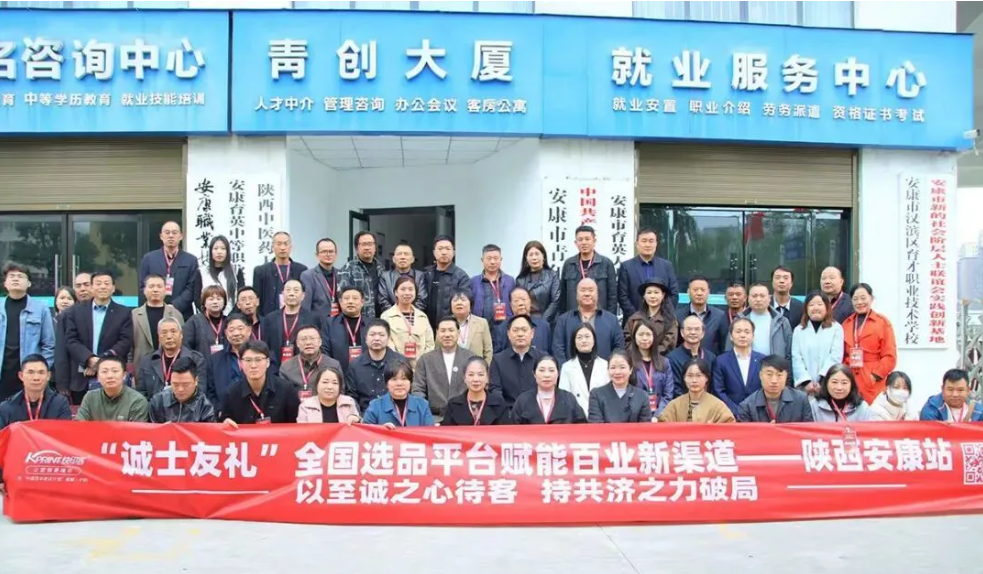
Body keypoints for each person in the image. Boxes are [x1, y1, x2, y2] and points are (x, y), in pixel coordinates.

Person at [62, 271, 133, 405]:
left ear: (113, 288)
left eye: (106, 283)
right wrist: (89, 359)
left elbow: (125, 342)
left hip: (112, 375)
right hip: (82, 375)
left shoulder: (124, 312)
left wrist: (100, 362)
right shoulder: (75, 311)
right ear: (91, 287)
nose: (102, 287)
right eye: (98, 283)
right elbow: (71, 340)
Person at [0, 262, 55, 402]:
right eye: (11, 276)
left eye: (20, 276)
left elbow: (49, 345)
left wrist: (40, 371)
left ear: (29, 283)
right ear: (5, 283)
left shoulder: (40, 309)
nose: (15, 279)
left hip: (29, 375)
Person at [220, 340, 300, 426]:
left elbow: (295, 425)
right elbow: (224, 422)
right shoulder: (231, 394)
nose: (253, 365)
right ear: (240, 363)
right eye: (248, 360)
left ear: (268, 362)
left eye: (258, 360)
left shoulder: (286, 390)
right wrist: (225, 423)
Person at [412, 316, 475, 423]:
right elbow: (418, 390)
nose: (447, 334)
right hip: (434, 418)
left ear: (458, 333)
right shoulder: (425, 360)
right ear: (437, 333)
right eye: (443, 331)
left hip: (465, 418)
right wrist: (426, 415)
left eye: (451, 330)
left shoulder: (470, 358)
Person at [842, 283, 897, 405]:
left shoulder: (882, 322)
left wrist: (875, 375)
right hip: (850, 377)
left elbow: (890, 356)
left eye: (863, 298)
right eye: (855, 299)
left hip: (872, 380)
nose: (859, 302)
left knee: (874, 413)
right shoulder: (846, 323)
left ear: (871, 299)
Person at [552, 278, 624, 362]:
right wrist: (566, 368)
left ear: (597, 294)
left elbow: (619, 348)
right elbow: (558, 349)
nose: (587, 294)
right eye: (583, 290)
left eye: (591, 290)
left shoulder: (611, 320)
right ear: (576, 295)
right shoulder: (563, 320)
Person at [138, 221, 199, 320]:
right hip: (154, 310)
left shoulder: (191, 260)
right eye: (167, 232)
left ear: (181, 236)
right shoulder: (149, 258)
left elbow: (191, 288)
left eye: (174, 233)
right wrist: (158, 304)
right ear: (161, 236)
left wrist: (174, 306)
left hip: (182, 313)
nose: (171, 236)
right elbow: (142, 286)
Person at [204, 314, 263, 413]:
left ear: (249, 330)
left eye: (240, 329)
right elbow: (210, 392)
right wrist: (221, 410)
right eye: (231, 330)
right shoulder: (214, 360)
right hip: (226, 413)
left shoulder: (262, 356)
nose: (236, 333)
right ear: (226, 333)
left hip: (256, 410)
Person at [136, 317, 207, 400]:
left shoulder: (196, 360)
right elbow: (141, 394)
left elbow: (200, 392)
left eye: (173, 332)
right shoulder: (147, 361)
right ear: (159, 337)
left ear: (181, 334)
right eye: (164, 333)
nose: (169, 336)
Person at [132, 273, 184, 382]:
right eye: (151, 286)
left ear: (165, 290)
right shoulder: (134, 315)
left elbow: (182, 343)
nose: (155, 290)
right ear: (144, 290)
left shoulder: (176, 314)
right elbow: (129, 347)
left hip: (171, 368)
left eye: (159, 286)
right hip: (142, 369)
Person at [345, 319, 406, 412]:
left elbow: (407, 391)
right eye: (372, 334)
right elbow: (351, 396)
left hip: (395, 414)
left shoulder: (400, 361)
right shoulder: (355, 365)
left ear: (388, 338)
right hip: (364, 416)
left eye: (381, 335)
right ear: (365, 338)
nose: (377, 338)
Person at [791, 291, 844, 395]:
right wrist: (806, 381)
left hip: (827, 383)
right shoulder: (799, 330)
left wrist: (823, 380)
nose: (815, 308)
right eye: (811, 305)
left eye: (820, 304)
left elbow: (835, 356)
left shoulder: (836, 328)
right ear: (806, 308)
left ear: (827, 307)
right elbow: (796, 357)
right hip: (805, 388)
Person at [617, 228, 679, 318]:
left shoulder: (667, 266)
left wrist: (661, 316)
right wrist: (638, 318)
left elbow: (673, 294)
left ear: (656, 244)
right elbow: (622, 297)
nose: (647, 245)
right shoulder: (626, 266)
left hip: (663, 320)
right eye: (644, 241)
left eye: (651, 241)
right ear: (637, 244)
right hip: (634, 321)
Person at [259, 279, 319, 370]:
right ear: (283, 294)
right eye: (288, 290)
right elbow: (266, 346)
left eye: (296, 290)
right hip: (276, 368)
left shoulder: (313, 318)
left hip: (305, 368)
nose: (291, 293)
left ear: (303, 295)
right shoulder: (270, 319)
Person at [0, 354, 72, 430]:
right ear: (21, 376)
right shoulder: (7, 407)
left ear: (48, 376)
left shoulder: (60, 403)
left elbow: (64, 433)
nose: (36, 378)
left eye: (41, 372)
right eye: (30, 372)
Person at [559, 225, 618, 315]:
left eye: (587, 239)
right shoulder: (568, 264)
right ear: (576, 243)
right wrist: (564, 318)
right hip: (574, 315)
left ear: (594, 241)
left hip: (599, 315)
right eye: (580, 239)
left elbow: (612, 296)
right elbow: (563, 295)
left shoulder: (606, 263)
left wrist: (610, 318)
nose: (584, 242)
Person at [489, 315, 546, 407]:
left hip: (537, 411)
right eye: (515, 330)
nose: (520, 334)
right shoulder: (498, 360)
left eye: (524, 330)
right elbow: (495, 390)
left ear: (532, 333)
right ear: (508, 334)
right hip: (507, 411)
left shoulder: (543, 358)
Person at [511, 355, 586, 424]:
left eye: (551, 370)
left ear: (558, 374)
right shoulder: (523, 400)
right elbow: (513, 429)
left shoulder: (569, 399)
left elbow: (582, 426)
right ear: (534, 374)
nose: (547, 375)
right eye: (542, 370)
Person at [737, 355, 814, 423]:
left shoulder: (801, 400)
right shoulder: (747, 406)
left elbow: (807, 431)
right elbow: (744, 433)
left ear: (786, 376)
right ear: (760, 375)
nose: (774, 381)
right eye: (769, 374)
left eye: (779, 375)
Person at [713, 318, 765, 417]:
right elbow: (718, 391)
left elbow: (765, 388)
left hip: (758, 415)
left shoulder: (763, 360)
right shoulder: (720, 361)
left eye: (747, 332)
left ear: (753, 336)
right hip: (730, 415)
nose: (742, 335)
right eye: (738, 331)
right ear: (731, 336)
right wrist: (737, 411)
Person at [659, 358, 735, 423]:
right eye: (690, 376)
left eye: (699, 375)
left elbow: (729, 426)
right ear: (684, 378)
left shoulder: (718, 406)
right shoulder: (674, 405)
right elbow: (663, 427)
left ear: (707, 378)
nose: (694, 380)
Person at [380, 276, 434, 369]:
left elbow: (430, 344)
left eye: (410, 289)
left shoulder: (422, 316)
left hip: (421, 368)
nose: (407, 293)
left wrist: (422, 365)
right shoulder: (386, 316)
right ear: (396, 292)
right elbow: (387, 343)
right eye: (403, 289)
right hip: (397, 368)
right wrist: (400, 365)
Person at [362, 359, 434, 428]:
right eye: (394, 379)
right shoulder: (375, 406)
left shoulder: (423, 405)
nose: (399, 383)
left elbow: (429, 432)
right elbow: (365, 432)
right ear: (386, 383)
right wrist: (381, 430)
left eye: (404, 379)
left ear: (410, 382)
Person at [76, 355, 149, 422]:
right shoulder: (90, 397)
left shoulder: (137, 401)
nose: (110, 376)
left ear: (124, 375)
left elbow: (136, 431)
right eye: (104, 371)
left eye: (115, 371)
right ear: (98, 377)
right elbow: (79, 426)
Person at [252, 231, 308, 319]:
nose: (282, 248)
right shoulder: (261, 271)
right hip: (268, 318)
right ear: (272, 247)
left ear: (291, 247)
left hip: (296, 317)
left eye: (286, 244)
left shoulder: (301, 270)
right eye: (279, 244)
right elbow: (257, 298)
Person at [587, 349, 652, 423]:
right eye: (613, 367)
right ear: (608, 370)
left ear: (630, 370)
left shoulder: (642, 396)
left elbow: (645, 427)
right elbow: (595, 426)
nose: (617, 372)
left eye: (622, 367)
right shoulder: (596, 394)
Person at [442, 357, 511, 426]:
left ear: (487, 378)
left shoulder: (499, 404)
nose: (476, 379)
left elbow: (505, 430)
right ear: (464, 378)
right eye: (471, 375)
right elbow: (446, 431)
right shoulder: (453, 405)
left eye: (480, 374)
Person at [558, 323, 608, 415]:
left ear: (594, 340)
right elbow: (564, 399)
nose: (583, 340)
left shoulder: (605, 366)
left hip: (602, 417)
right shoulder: (567, 367)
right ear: (574, 342)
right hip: (576, 418)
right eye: (579, 337)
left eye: (587, 336)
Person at [148, 356, 217, 423]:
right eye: (175, 384)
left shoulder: (205, 408)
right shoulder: (158, 402)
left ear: (196, 381)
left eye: (185, 385)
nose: (180, 389)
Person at [423, 235, 472, 330]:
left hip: (450, 328)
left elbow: (464, 305)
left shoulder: (461, 276)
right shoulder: (427, 274)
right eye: (440, 249)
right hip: (426, 327)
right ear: (434, 252)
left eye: (448, 249)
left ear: (454, 252)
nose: (444, 252)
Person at [732, 283, 792, 360]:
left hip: (774, 366)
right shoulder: (738, 320)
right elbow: (730, 350)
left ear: (769, 298)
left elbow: (789, 352)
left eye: (762, 296)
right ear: (748, 298)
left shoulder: (782, 321)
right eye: (754, 296)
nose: (758, 299)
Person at [279, 325, 341, 400]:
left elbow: (340, 393)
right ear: (297, 343)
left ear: (320, 342)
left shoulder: (333, 365)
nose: (308, 342)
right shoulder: (286, 367)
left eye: (312, 338)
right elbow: (283, 397)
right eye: (303, 339)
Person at [629, 319, 674, 418]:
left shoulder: (664, 362)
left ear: (654, 337)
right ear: (634, 337)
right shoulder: (628, 362)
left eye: (648, 334)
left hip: (660, 416)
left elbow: (668, 394)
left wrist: (657, 416)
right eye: (641, 334)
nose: (644, 338)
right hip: (636, 416)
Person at [675, 275, 729, 355]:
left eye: (703, 290)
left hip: (711, 361)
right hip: (684, 361)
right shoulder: (678, 316)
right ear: (688, 291)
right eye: (695, 290)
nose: (699, 293)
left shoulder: (720, 316)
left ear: (708, 292)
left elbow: (723, 345)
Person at [623, 278, 677, 356]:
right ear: (644, 296)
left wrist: (649, 355)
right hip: (636, 359)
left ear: (663, 295)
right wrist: (641, 355)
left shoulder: (670, 319)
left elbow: (669, 344)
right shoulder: (634, 319)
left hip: (660, 360)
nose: (652, 296)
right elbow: (627, 341)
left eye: (656, 292)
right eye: (649, 292)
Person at [321, 285, 368, 374]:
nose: (350, 301)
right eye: (346, 298)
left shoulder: (371, 324)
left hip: (366, 374)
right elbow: (324, 350)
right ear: (340, 302)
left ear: (362, 302)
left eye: (355, 298)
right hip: (337, 373)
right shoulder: (329, 323)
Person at [667, 315, 717, 399]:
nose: (693, 332)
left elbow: (713, 386)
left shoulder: (711, 357)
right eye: (689, 329)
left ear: (703, 333)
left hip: (708, 403)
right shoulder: (672, 358)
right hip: (683, 403)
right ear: (682, 333)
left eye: (697, 329)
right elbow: (675, 388)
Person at [194, 235, 244, 316]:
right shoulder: (201, 272)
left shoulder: (236, 271)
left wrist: (231, 316)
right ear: (211, 251)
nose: (219, 252)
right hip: (207, 318)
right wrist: (207, 315)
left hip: (232, 317)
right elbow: (197, 298)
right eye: (216, 248)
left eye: (223, 248)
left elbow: (241, 296)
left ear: (227, 251)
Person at [338, 230, 383, 319]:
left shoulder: (381, 268)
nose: (367, 247)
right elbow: (342, 297)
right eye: (363, 244)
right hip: (357, 319)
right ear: (356, 248)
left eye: (370, 244)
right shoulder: (347, 269)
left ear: (375, 247)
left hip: (380, 319)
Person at [492, 287, 551, 354]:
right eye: (516, 300)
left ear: (530, 302)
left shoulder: (544, 326)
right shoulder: (501, 329)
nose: (521, 303)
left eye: (523, 299)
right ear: (510, 305)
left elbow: (549, 354)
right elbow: (497, 356)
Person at [469, 244, 515, 330]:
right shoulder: (473, 281)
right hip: (480, 328)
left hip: (505, 327)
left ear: (501, 259)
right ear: (482, 260)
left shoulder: (510, 281)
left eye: (496, 258)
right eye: (489, 258)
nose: (492, 262)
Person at [515, 240, 561, 324]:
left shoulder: (552, 275)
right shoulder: (520, 280)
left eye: (537, 254)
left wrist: (542, 322)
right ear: (526, 257)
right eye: (531, 255)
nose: (534, 258)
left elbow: (555, 301)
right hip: (527, 322)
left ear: (543, 255)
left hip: (549, 323)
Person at [377, 242, 429, 314]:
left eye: (406, 254)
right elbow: (383, 300)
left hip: (414, 317)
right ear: (394, 259)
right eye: (399, 254)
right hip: (391, 317)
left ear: (412, 259)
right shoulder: (385, 277)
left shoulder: (420, 276)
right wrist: (395, 315)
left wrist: (410, 314)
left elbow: (422, 300)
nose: (403, 257)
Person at [296, 366, 361, 424]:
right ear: (317, 384)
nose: (329, 387)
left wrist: (357, 419)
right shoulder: (305, 406)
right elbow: (302, 430)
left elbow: (358, 426)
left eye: (335, 383)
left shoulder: (349, 402)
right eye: (325, 382)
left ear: (340, 386)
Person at [300, 238, 341, 320]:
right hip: (318, 324)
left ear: (336, 254)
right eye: (324, 251)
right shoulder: (308, 276)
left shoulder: (341, 274)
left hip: (339, 323)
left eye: (331, 251)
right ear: (317, 255)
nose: (328, 254)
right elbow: (305, 306)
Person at [183, 285, 228, 358]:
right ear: (204, 302)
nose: (215, 302)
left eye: (219, 299)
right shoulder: (195, 321)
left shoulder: (228, 322)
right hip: (201, 363)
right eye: (211, 299)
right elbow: (185, 347)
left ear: (224, 302)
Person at [450, 291, 494, 363]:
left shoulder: (482, 323)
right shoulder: (444, 324)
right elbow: (438, 350)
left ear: (471, 304)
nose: (459, 303)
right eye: (455, 300)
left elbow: (488, 351)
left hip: (477, 368)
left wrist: (485, 368)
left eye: (463, 300)